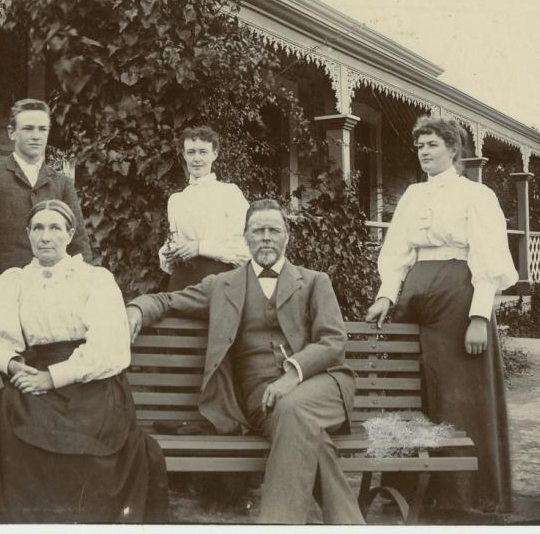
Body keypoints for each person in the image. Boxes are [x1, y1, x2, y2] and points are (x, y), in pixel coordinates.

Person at [128, 199, 365, 524]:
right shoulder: (223, 285)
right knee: (310, 437)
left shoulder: (313, 281)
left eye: (273, 230)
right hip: (261, 401)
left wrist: (292, 374)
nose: (266, 237)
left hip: (323, 386)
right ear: (246, 237)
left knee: (293, 409)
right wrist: (137, 309)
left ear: (286, 237)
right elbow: (168, 300)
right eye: (258, 231)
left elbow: (334, 341)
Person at [0, 200, 167, 523]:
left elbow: (110, 348)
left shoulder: (95, 279)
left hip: (92, 382)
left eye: (55, 228)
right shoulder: (15, 280)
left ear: (70, 234)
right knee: (20, 433)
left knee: (92, 450)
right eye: (38, 228)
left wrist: (53, 377)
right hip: (35, 374)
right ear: (27, 235)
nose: (46, 236)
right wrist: (12, 363)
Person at [365, 116, 518, 515]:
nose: (425, 152)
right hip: (414, 292)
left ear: (453, 149)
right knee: (411, 386)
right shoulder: (413, 196)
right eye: (420, 146)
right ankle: (405, 489)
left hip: (459, 290)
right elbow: (397, 251)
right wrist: (386, 295)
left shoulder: (476, 196)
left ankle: (463, 496)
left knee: (457, 393)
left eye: (432, 144)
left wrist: (480, 315)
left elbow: (487, 256)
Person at [0, 98, 92, 317]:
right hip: (4, 297)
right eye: (28, 129)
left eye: (42, 129)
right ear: (12, 133)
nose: (36, 136)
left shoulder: (61, 182)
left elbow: (79, 244)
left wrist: (82, 292)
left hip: (55, 300)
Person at [159, 126, 250, 290]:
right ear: (184, 155)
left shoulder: (230, 193)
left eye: (203, 152)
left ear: (215, 154)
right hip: (182, 282)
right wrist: (169, 252)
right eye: (191, 152)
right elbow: (173, 242)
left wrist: (200, 247)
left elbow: (244, 249)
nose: (196, 158)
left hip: (219, 281)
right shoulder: (177, 200)